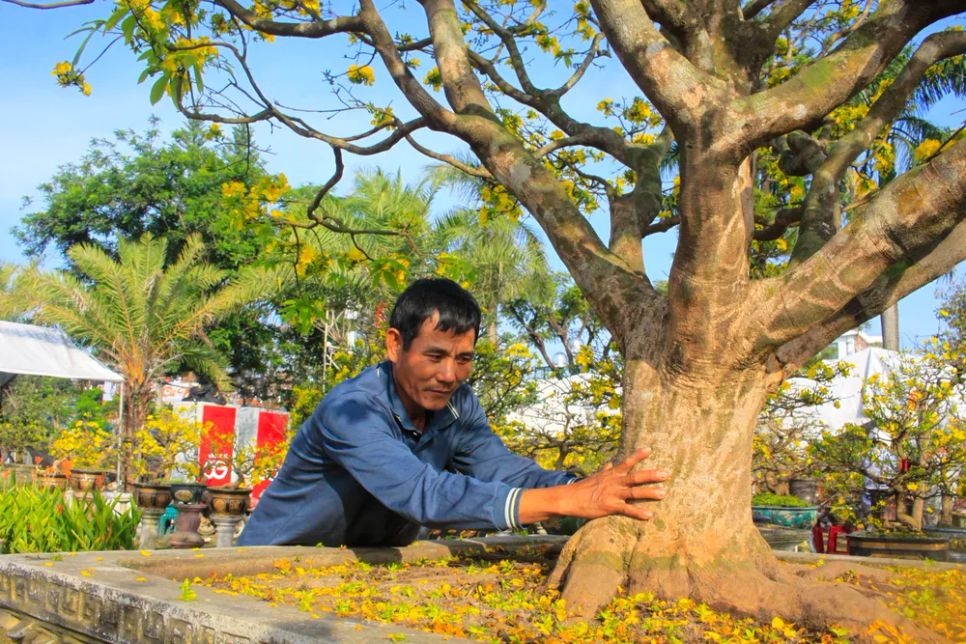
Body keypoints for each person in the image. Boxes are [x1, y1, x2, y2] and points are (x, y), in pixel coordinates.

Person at [238, 278, 668, 547]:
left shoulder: (458, 405)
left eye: (463, 358)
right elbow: (422, 494)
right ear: (394, 345)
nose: (449, 375)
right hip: (263, 568)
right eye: (435, 355)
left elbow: (502, 469)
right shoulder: (350, 411)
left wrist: (582, 485)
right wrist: (567, 501)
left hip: (360, 568)